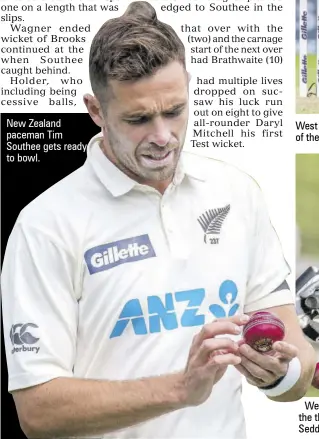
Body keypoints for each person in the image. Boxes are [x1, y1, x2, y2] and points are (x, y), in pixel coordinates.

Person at [1, 2, 316, 438]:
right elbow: (37, 412)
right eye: (139, 119)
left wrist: (277, 374)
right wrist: (181, 389)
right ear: (96, 111)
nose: (163, 136)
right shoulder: (45, 225)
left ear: (188, 86)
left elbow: (296, 363)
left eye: (175, 110)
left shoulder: (236, 192)